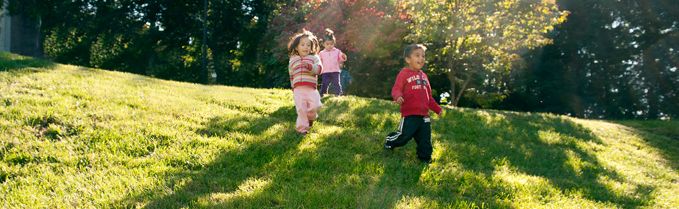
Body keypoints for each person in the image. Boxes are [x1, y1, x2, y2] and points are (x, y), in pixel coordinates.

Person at [384, 44, 442, 164]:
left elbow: (429, 97)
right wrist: (398, 96)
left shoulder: (424, 76)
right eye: (417, 55)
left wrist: (437, 109)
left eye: (423, 56)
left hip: (424, 116)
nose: (421, 58)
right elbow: (396, 88)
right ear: (408, 59)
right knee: (404, 136)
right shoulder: (404, 73)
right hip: (410, 114)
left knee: (425, 139)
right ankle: (390, 141)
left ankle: (425, 158)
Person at [287, 30, 323, 135]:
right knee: (301, 110)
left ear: (312, 47)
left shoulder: (314, 58)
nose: (306, 47)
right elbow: (291, 74)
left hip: (311, 89)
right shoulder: (293, 59)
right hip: (298, 89)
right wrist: (292, 87)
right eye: (302, 44)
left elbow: (319, 69)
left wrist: (311, 68)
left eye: (308, 45)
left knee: (316, 106)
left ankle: (311, 117)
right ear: (296, 47)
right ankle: (302, 129)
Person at [318, 28, 347, 97]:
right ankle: (322, 94)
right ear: (323, 44)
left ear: (334, 43)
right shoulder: (321, 53)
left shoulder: (337, 51)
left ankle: (338, 94)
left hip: (335, 71)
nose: (329, 46)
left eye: (331, 44)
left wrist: (343, 57)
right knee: (325, 83)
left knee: (336, 83)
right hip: (325, 71)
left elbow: (341, 59)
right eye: (327, 44)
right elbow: (318, 61)